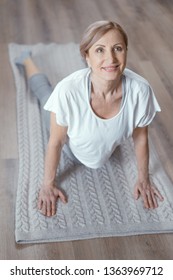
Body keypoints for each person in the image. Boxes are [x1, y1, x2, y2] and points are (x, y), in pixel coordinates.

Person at [15, 20, 164, 217]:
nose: (111, 58)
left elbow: (141, 137)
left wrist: (143, 178)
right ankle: (27, 60)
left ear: (126, 51)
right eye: (100, 50)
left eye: (117, 48)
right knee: (45, 93)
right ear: (87, 56)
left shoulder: (140, 90)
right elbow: (56, 142)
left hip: (105, 142)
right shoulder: (66, 92)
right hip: (71, 147)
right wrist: (47, 184)